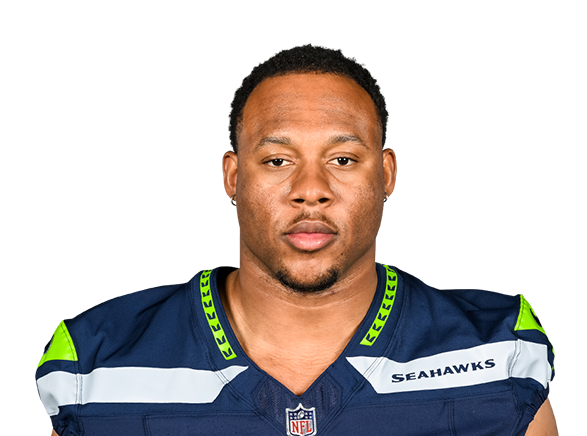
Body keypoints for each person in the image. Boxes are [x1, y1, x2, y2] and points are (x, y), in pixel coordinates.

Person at [36, 44, 556, 436]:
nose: (311, 190)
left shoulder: (505, 351)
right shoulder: (90, 367)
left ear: (387, 173)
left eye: (343, 159)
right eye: (278, 160)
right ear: (233, 176)